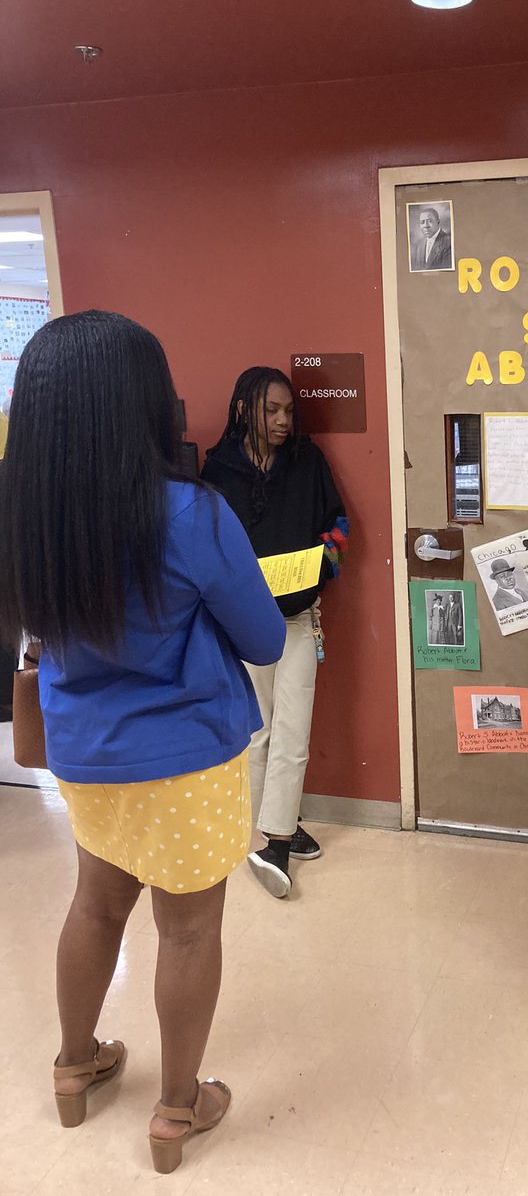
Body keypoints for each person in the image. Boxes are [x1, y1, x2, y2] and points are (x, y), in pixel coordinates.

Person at [0, 310, 285, 1172]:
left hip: (85, 756)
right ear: (140, 406)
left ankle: (75, 1063)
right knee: (189, 932)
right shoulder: (190, 513)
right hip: (187, 757)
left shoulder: (30, 515)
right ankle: (176, 1108)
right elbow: (265, 641)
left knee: (94, 904)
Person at [201, 367, 348, 900]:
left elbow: (339, 525)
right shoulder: (216, 471)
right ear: (244, 410)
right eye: (272, 410)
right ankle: (269, 828)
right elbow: (207, 547)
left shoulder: (308, 462)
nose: (284, 420)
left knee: (294, 730)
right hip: (242, 623)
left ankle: (278, 840)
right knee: (257, 732)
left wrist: (322, 567)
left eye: (289, 410)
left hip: (299, 619)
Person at [411, 206, 452, 271]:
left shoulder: (449, 242)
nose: (426, 226)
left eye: (429, 221)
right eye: (422, 222)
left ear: (438, 222)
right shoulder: (419, 244)